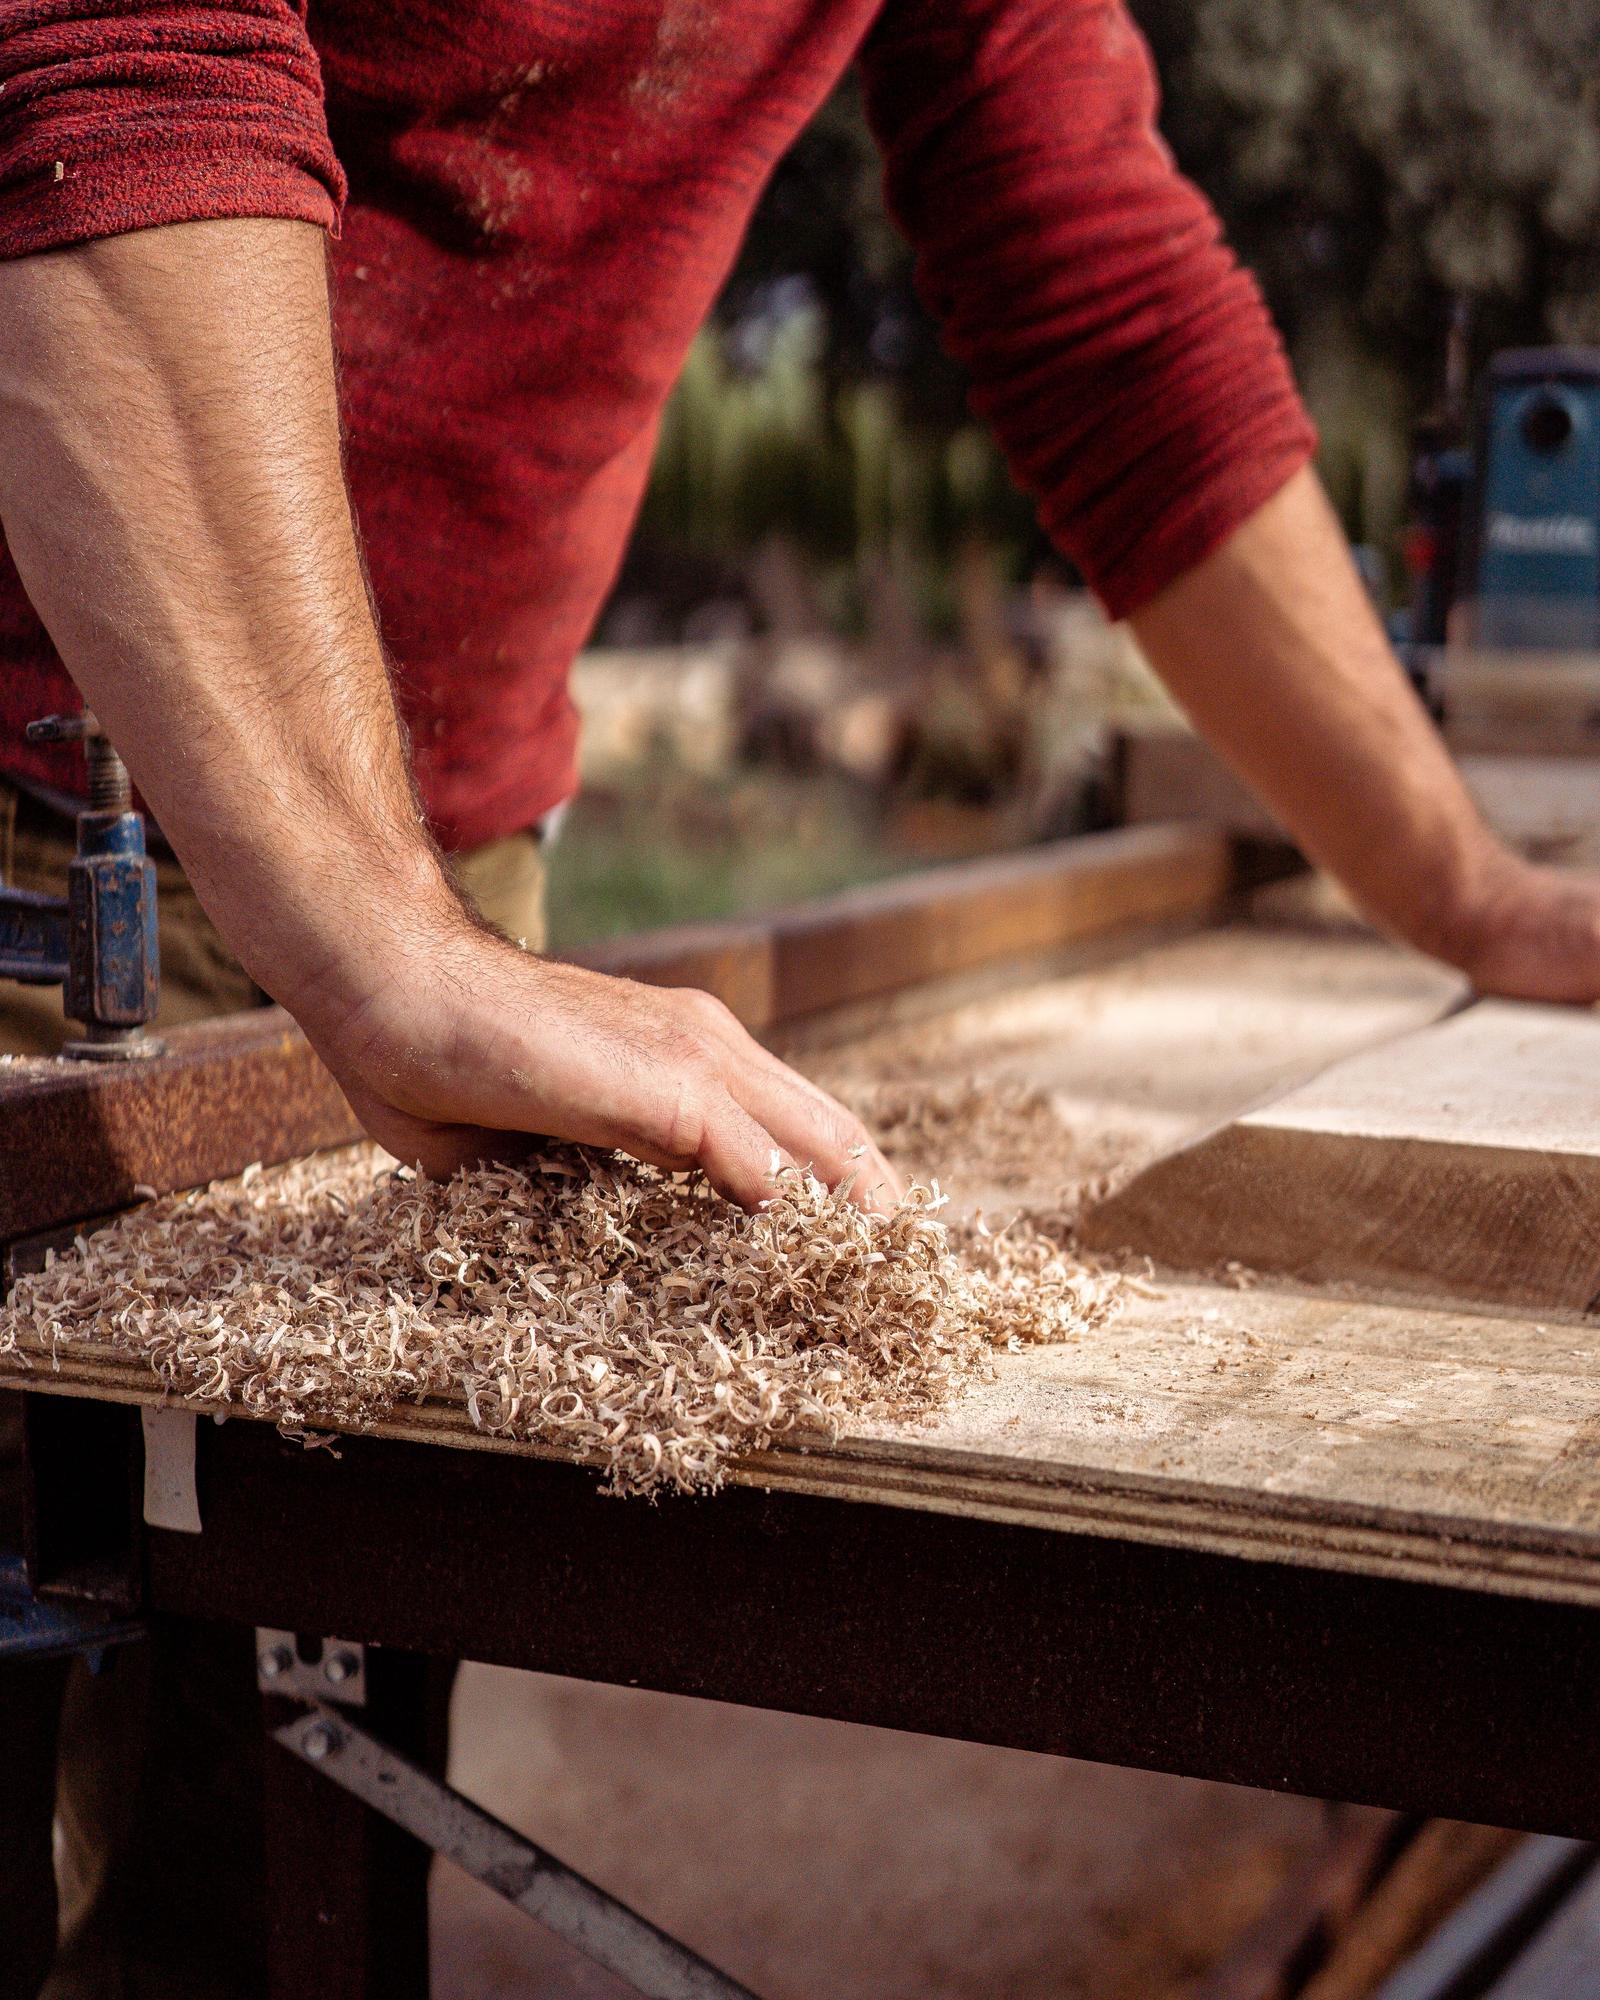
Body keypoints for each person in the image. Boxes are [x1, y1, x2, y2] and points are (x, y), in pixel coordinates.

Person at [3, 0, 1599, 1992]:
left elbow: (1087, 263)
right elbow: (114, 62)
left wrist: (1464, 888)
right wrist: (378, 941)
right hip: (65, 795)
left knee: (268, 1837)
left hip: (437, 850)